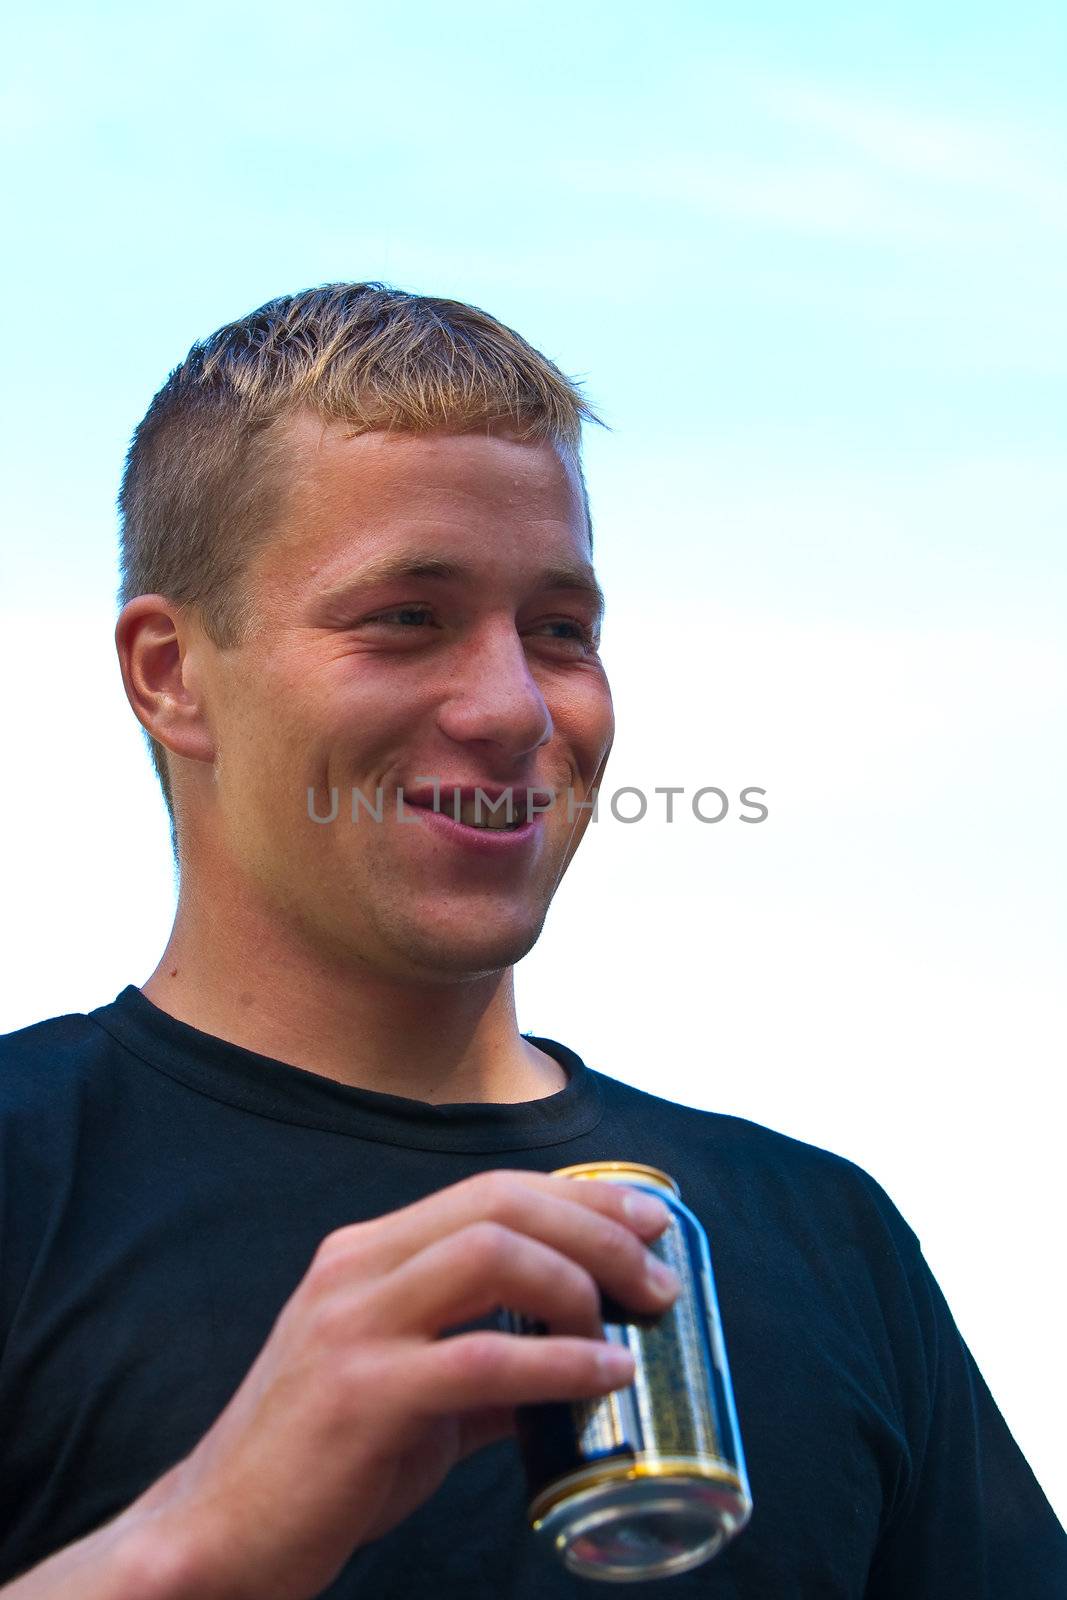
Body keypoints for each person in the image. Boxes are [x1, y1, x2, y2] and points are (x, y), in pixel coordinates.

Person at [0, 283, 1063, 1600]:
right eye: (405, 617)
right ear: (170, 672)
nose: (512, 708)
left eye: (560, 632)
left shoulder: (820, 1238)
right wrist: (188, 1546)